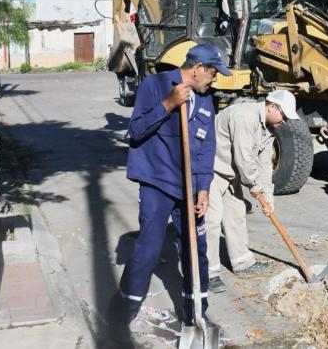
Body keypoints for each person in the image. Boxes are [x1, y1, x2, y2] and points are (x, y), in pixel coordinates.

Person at [111, 43, 231, 334]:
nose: (215, 78)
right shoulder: (155, 85)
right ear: (198, 68)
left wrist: (203, 189)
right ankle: (121, 313)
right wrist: (169, 103)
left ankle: (196, 315)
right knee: (149, 248)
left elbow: (205, 149)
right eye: (213, 72)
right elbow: (137, 131)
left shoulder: (205, 100)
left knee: (196, 249)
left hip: (189, 187)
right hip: (157, 182)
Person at [205, 90, 299, 293]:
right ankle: (209, 273)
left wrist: (268, 197)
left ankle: (242, 262)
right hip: (210, 169)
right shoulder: (244, 117)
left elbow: (264, 164)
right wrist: (255, 188)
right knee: (212, 221)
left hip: (231, 173)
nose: (285, 120)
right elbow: (244, 159)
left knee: (236, 214)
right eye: (284, 114)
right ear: (271, 106)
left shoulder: (268, 128)